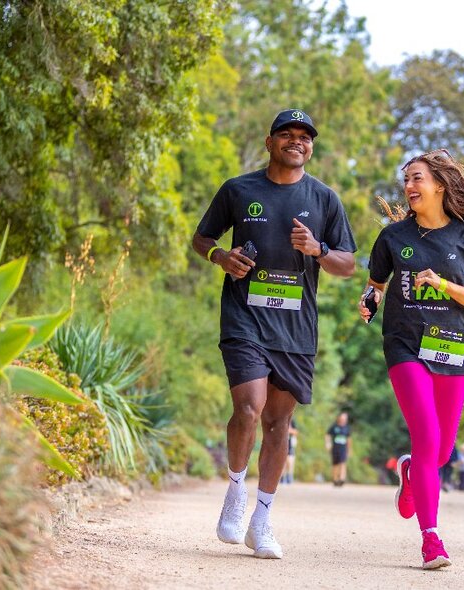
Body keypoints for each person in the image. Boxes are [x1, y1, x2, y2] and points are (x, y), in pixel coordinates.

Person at [193, 109, 357, 559]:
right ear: (269, 143)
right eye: (287, 133)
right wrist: (220, 257)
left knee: (278, 422)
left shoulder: (324, 199)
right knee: (249, 408)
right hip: (244, 317)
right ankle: (235, 491)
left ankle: (262, 520)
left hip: (294, 326)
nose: (296, 141)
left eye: (305, 136)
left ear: (311, 147)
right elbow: (202, 238)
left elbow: (347, 264)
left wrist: (318, 249)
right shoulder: (238, 189)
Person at [358, 148, 464, 569]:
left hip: (452, 348)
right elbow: (375, 284)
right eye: (406, 180)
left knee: (440, 452)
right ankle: (431, 539)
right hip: (405, 346)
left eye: (417, 178)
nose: (409, 186)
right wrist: (369, 301)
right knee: (426, 437)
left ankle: (409, 472)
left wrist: (443, 285)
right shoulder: (393, 237)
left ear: (439, 185)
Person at [326, 411, 352, 486]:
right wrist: (328, 443)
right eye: (342, 418)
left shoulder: (347, 428)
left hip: (343, 448)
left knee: (343, 463)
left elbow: (349, 439)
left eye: (345, 419)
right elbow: (328, 435)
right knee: (335, 464)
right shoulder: (334, 426)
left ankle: (342, 478)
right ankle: (335, 479)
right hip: (335, 447)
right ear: (339, 418)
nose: (343, 420)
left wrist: (349, 449)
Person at [282, 417, 298, 484]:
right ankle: (282, 477)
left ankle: (289, 476)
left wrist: (289, 430)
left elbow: (296, 432)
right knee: (283, 461)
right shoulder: (281, 418)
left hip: (290, 443)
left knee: (290, 461)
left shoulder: (292, 420)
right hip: (282, 442)